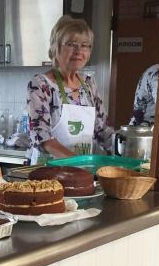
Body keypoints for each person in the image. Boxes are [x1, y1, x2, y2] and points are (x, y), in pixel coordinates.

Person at [27, 15, 113, 163]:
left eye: (85, 45)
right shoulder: (41, 84)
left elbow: (102, 131)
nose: (79, 50)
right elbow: (42, 138)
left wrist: (129, 149)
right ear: (56, 48)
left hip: (82, 171)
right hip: (48, 174)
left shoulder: (89, 84)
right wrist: (78, 161)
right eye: (72, 44)